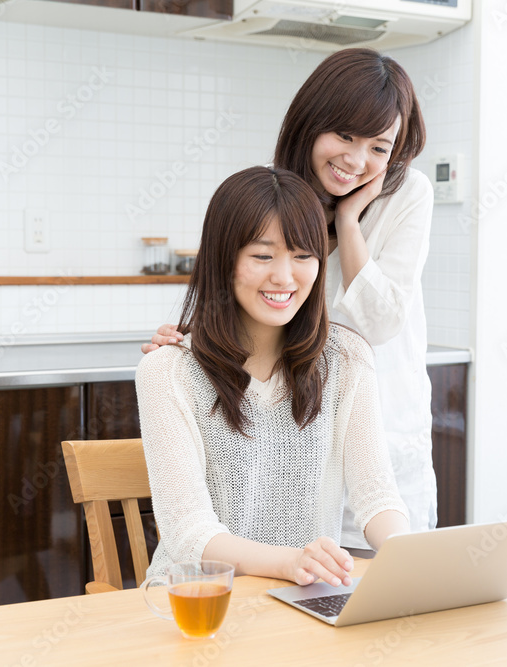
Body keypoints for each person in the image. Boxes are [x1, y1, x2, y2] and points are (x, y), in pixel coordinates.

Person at [144, 48, 437, 550]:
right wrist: (191, 339)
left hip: (378, 429)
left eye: (379, 147)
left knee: (370, 586)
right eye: (344, 135)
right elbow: (239, 290)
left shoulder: (406, 194)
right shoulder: (273, 193)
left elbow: (381, 322)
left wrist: (348, 222)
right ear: (310, 123)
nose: (356, 160)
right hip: (288, 461)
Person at [137, 166, 409, 586]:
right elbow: (187, 531)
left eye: (303, 255)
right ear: (223, 260)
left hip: (303, 598)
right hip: (199, 605)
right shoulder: (168, 370)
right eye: (262, 256)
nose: (285, 277)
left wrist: (407, 552)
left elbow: (376, 494)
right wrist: (288, 562)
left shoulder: (348, 358)